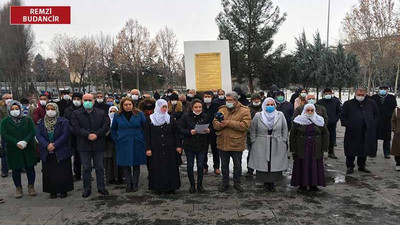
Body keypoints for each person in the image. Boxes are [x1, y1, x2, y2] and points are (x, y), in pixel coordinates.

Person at [71, 94, 110, 198]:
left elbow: (106, 125)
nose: (87, 101)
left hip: (98, 144)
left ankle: (101, 187)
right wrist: (87, 134)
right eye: (85, 100)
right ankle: (86, 188)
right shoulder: (76, 113)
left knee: (100, 167)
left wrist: (96, 134)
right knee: (86, 168)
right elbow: (75, 127)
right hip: (84, 144)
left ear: (94, 101)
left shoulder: (101, 113)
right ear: (82, 101)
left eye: (90, 100)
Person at [213, 91, 251, 192]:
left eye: (230, 100)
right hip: (223, 142)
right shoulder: (222, 109)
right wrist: (219, 125)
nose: (228, 102)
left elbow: (245, 126)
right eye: (227, 100)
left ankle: (237, 182)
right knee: (224, 165)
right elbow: (215, 123)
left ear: (235, 101)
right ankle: (225, 182)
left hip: (236, 143)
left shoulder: (244, 111)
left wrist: (228, 123)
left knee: (237, 165)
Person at [249, 98, 289, 192]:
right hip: (262, 142)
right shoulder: (258, 115)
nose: (270, 106)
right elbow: (253, 129)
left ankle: (272, 183)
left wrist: (283, 140)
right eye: (268, 104)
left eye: (272, 104)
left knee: (274, 162)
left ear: (275, 105)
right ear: (264, 105)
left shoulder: (280, 115)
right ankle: (265, 183)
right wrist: (254, 140)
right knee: (264, 162)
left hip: (277, 142)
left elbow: (284, 128)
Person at [36, 103, 74, 199]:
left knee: (63, 171)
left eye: (52, 109)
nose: (50, 111)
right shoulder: (41, 122)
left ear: (56, 110)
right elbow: (38, 135)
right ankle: (52, 190)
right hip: (47, 151)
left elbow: (65, 135)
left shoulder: (63, 122)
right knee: (49, 172)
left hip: (61, 150)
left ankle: (63, 190)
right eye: (48, 109)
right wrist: (47, 145)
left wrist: (55, 144)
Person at [144, 99, 182, 194]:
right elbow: (147, 135)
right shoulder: (150, 119)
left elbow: (175, 133)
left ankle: (171, 187)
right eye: (162, 107)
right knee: (158, 168)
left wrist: (178, 146)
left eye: (166, 107)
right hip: (156, 147)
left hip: (170, 147)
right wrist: (148, 148)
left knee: (170, 167)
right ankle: (158, 187)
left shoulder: (170, 118)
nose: (164, 109)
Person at [1, 100, 37, 198]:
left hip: (28, 147)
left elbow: (32, 131)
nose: (15, 111)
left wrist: (25, 141)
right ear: (9, 110)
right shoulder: (5, 122)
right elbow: (4, 134)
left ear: (20, 109)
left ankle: (31, 186)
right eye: (12, 109)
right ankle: (18, 188)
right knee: (15, 169)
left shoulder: (27, 119)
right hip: (13, 148)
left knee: (30, 167)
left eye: (16, 109)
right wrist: (16, 142)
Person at [290, 104, 329, 193]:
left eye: (312, 110)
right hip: (302, 146)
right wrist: (293, 149)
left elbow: (325, 134)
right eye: (308, 110)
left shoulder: (319, 120)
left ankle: (314, 185)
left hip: (316, 147)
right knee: (302, 164)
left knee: (314, 165)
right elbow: (292, 135)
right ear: (304, 110)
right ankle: (302, 185)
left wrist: (324, 148)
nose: (310, 112)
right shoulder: (298, 120)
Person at [111, 98, 146, 192]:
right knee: (125, 164)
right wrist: (115, 139)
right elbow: (113, 129)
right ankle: (128, 183)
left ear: (133, 105)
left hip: (137, 141)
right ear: (122, 105)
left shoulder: (139, 114)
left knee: (136, 164)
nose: (128, 106)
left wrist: (143, 138)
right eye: (126, 105)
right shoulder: (117, 115)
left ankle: (135, 183)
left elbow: (145, 126)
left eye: (130, 104)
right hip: (123, 142)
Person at [340, 88, 379, 174]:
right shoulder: (348, 103)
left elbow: (376, 115)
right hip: (352, 131)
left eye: (362, 95)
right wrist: (347, 124)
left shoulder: (371, 103)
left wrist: (372, 123)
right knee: (351, 149)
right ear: (355, 94)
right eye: (358, 95)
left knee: (364, 149)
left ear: (365, 94)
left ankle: (362, 165)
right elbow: (343, 115)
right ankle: (350, 166)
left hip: (366, 131)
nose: (360, 97)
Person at [179, 99, 210, 193]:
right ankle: (192, 184)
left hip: (202, 144)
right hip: (189, 144)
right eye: (196, 107)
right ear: (192, 107)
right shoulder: (186, 116)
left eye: (200, 107)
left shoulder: (205, 116)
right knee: (190, 165)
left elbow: (210, 127)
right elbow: (180, 129)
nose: (198, 109)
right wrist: (189, 132)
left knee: (201, 165)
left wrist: (209, 131)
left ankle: (200, 184)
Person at [371, 85, 397, 159]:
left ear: (387, 90)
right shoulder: (374, 97)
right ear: (379, 90)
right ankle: (373, 152)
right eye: (381, 89)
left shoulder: (392, 98)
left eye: (385, 89)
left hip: (387, 121)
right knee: (374, 137)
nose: (383, 90)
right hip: (376, 120)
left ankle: (387, 153)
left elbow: (394, 109)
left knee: (387, 138)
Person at [317, 88, 342, 159]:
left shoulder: (336, 101)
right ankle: (320, 152)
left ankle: (331, 152)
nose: (328, 95)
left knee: (332, 138)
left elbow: (339, 111)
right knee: (321, 137)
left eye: (329, 93)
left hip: (332, 123)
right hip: (322, 123)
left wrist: (336, 119)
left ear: (331, 93)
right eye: (326, 94)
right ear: (323, 94)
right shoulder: (320, 102)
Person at [64, 93, 83, 181]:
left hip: (84, 135)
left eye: (78, 99)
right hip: (73, 136)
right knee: (76, 156)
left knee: (87, 157)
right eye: (74, 98)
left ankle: (87, 173)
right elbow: (66, 122)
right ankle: (77, 173)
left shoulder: (85, 109)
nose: (76, 100)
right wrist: (73, 131)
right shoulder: (68, 110)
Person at [202, 91, 221, 175]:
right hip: (203, 131)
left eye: (208, 96)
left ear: (212, 97)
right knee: (203, 151)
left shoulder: (217, 106)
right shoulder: (200, 106)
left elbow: (219, 118)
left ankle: (216, 167)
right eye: (205, 96)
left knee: (215, 151)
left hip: (214, 132)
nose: (207, 98)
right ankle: (204, 167)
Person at [245, 93, 263, 178]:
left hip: (262, 134)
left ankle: (260, 169)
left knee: (262, 153)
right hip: (251, 134)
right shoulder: (247, 109)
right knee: (251, 152)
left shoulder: (264, 108)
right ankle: (250, 169)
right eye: (254, 99)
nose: (256, 101)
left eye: (258, 99)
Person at [105, 106, 123, 185]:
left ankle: (120, 177)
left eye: (114, 111)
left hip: (118, 143)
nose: (112, 113)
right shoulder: (105, 120)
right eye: (111, 111)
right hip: (108, 144)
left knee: (119, 161)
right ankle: (110, 178)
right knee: (109, 161)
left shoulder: (120, 120)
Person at [0, 93, 13, 178]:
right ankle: (4, 170)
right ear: (3, 100)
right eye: (6, 98)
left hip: (16, 133)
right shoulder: (1, 109)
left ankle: (21, 167)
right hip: (5, 133)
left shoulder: (15, 107)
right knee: (4, 152)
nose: (8, 99)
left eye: (10, 98)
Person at [391, 106, 400, 170]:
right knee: (397, 149)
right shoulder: (397, 110)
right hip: (398, 134)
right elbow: (393, 120)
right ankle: (398, 164)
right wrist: (395, 129)